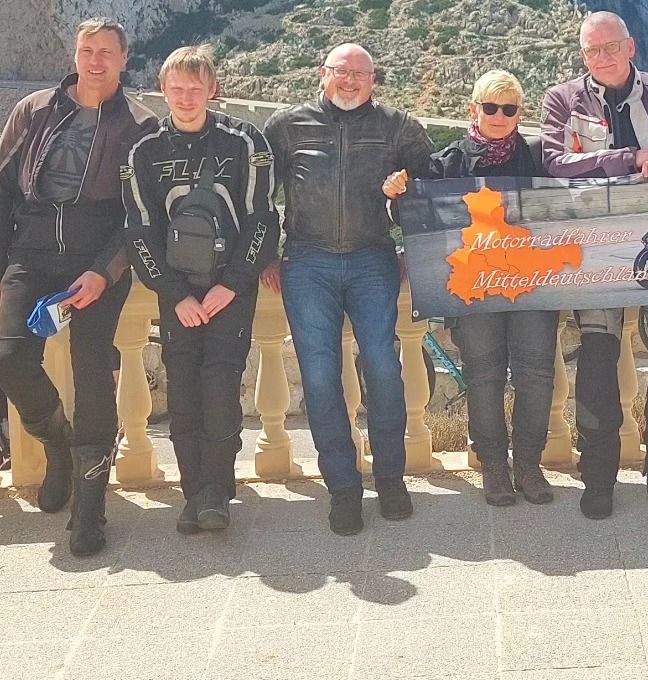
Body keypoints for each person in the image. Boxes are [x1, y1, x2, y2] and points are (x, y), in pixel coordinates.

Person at [0, 18, 157, 556]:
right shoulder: (35, 109)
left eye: (106, 52)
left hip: (97, 260)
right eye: (86, 50)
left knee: (93, 375)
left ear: (124, 59)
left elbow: (140, 213)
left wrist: (104, 270)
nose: (95, 61)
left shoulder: (139, 124)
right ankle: (58, 445)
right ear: (75, 55)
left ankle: (90, 508)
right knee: (10, 363)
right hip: (31, 254)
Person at [541, 11, 648, 520]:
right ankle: (598, 476)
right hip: (597, 244)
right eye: (592, 50)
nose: (603, 57)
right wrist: (631, 158)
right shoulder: (562, 100)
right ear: (583, 56)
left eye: (611, 46)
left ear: (630, 46)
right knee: (597, 355)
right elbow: (555, 163)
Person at [262, 43, 435, 537]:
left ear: (374, 80)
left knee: (382, 366)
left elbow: (432, 192)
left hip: (372, 259)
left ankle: (390, 478)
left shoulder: (399, 128)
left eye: (361, 73)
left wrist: (412, 239)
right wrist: (266, 255)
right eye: (342, 71)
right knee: (319, 377)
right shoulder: (286, 127)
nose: (351, 81)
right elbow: (256, 195)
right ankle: (342, 486)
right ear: (323, 74)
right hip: (306, 262)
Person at [123, 45, 279, 534]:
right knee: (184, 391)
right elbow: (139, 231)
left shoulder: (244, 142)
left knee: (220, 388)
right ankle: (193, 493)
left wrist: (232, 285)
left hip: (230, 290)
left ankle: (217, 492)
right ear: (163, 90)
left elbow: (262, 220)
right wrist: (175, 295)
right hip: (179, 294)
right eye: (177, 88)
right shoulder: (145, 152)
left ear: (213, 89)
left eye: (196, 88)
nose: (186, 98)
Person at [429, 70, 559, 508]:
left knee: (536, 374)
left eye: (509, 109)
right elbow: (414, 212)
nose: (499, 116)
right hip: (475, 288)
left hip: (532, 286)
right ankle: (494, 466)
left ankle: (528, 464)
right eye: (490, 107)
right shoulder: (449, 162)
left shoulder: (539, 157)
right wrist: (395, 194)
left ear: (520, 113)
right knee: (484, 376)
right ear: (474, 110)